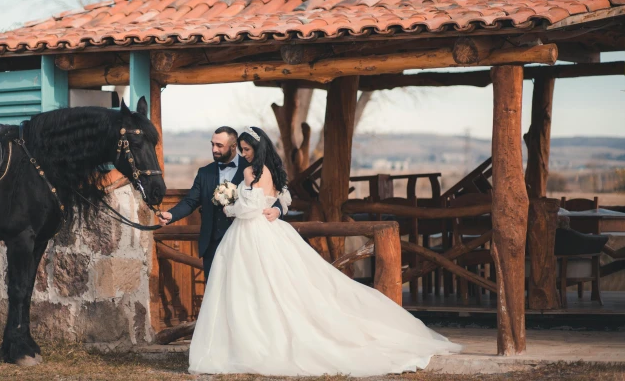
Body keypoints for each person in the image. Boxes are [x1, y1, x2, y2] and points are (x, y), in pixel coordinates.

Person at [188, 127, 462, 377]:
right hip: (268, 233)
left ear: (255, 150)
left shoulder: (250, 172)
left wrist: (229, 206)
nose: (243, 154)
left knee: (251, 288)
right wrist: (271, 207)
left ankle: (252, 342)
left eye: (246, 149)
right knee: (270, 288)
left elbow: (254, 206)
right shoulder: (270, 171)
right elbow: (278, 197)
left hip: (250, 232)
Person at [157, 127, 284, 278]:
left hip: (244, 242)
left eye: (219, 146)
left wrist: (277, 209)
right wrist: (171, 215)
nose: (214, 149)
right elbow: (190, 201)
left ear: (233, 146)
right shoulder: (204, 173)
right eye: (212, 144)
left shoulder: (252, 167)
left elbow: (272, 192)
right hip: (212, 245)